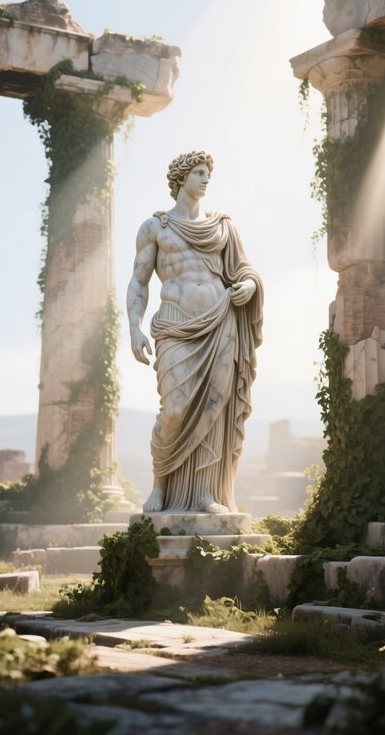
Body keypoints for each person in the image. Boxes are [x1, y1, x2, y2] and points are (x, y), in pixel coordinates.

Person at [126, 150, 263, 514]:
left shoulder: (222, 226)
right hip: (174, 324)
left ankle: (206, 493)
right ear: (181, 178)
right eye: (199, 173)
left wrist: (248, 287)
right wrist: (134, 327)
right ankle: (160, 484)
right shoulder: (155, 227)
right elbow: (139, 282)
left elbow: (244, 271)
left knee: (214, 408)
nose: (206, 179)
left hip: (220, 323)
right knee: (174, 408)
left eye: (208, 174)